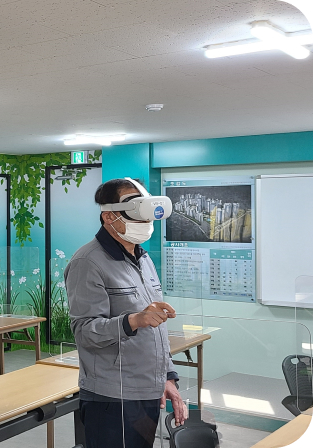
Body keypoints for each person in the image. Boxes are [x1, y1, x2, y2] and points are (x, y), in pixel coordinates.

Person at [65, 178, 188, 448]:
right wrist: (133, 320)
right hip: (112, 397)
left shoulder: (143, 258)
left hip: (148, 391)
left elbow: (156, 329)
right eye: (136, 212)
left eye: (147, 214)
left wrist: (167, 377)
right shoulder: (88, 262)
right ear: (109, 216)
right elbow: (84, 332)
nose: (145, 222)